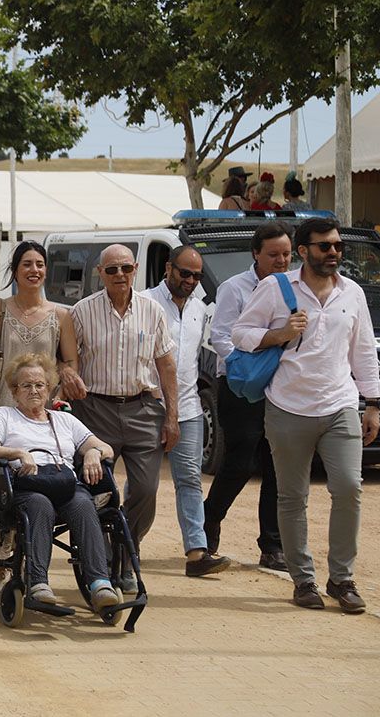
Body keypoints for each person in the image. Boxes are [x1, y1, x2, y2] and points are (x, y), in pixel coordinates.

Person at [232, 217, 379, 613]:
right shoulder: (275, 288)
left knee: (349, 487)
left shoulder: (353, 293)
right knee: (292, 496)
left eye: (337, 246)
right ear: (303, 251)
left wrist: (372, 402)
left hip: (339, 404)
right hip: (287, 407)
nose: (333, 253)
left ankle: (342, 578)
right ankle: (303, 580)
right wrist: (278, 334)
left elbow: (363, 350)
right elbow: (239, 334)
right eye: (324, 246)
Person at [68, 244, 179, 593]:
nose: (119, 275)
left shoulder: (153, 310)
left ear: (136, 270)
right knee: (98, 489)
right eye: (112, 269)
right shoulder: (81, 312)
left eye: (126, 269)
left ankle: (126, 548)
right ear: (100, 273)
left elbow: (165, 365)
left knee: (146, 489)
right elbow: (66, 358)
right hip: (95, 409)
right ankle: (103, 560)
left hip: (143, 408)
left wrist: (172, 416)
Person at [0, 354, 121, 609]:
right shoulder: (5, 415)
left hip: (64, 483)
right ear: (14, 390)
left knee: (83, 504)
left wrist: (92, 452)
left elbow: (105, 448)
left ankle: (100, 583)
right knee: (40, 505)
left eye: (40, 385)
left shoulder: (64, 419)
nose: (34, 391)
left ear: (49, 388)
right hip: (26, 485)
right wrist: (18, 453)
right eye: (26, 385)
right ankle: (38, 582)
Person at [204, 222, 289, 571]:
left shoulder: (297, 288)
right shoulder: (234, 288)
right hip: (241, 386)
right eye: (273, 255)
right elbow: (221, 337)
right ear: (255, 254)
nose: (281, 261)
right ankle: (207, 526)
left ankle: (272, 546)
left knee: (277, 468)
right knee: (240, 464)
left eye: (286, 254)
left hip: (282, 388)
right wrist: (254, 357)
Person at [144, 247, 229, 577]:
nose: (191, 281)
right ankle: (125, 545)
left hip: (189, 409)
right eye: (185, 273)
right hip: (148, 407)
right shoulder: (146, 303)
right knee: (142, 484)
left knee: (190, 480)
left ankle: (197, 552)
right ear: (169, 269)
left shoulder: (201, 309)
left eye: (196, 275)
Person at [0, 240, 84, 419]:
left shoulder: (62, 316)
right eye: (27, 264)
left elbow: (71, 363)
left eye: (40, 265)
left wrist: (59, 397)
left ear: (46, 271)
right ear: (15, 271)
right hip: (4, 408)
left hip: (44, 410)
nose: (34, 270)